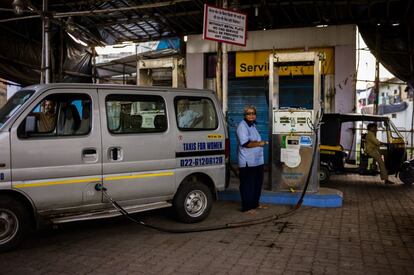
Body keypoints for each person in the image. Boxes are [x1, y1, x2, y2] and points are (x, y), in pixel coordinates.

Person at [236, 105, 268, 213]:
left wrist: (260, 144)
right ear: (245, 115)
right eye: (248, 113)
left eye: (253, 113)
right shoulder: (242, 126)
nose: (251, 115)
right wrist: (260, 143)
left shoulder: (253, 125)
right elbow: (245, 143)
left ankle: (255, 204)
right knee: (247, 185)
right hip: (247, 162)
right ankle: (247, 207)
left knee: (257, 184)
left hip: (257, 161)